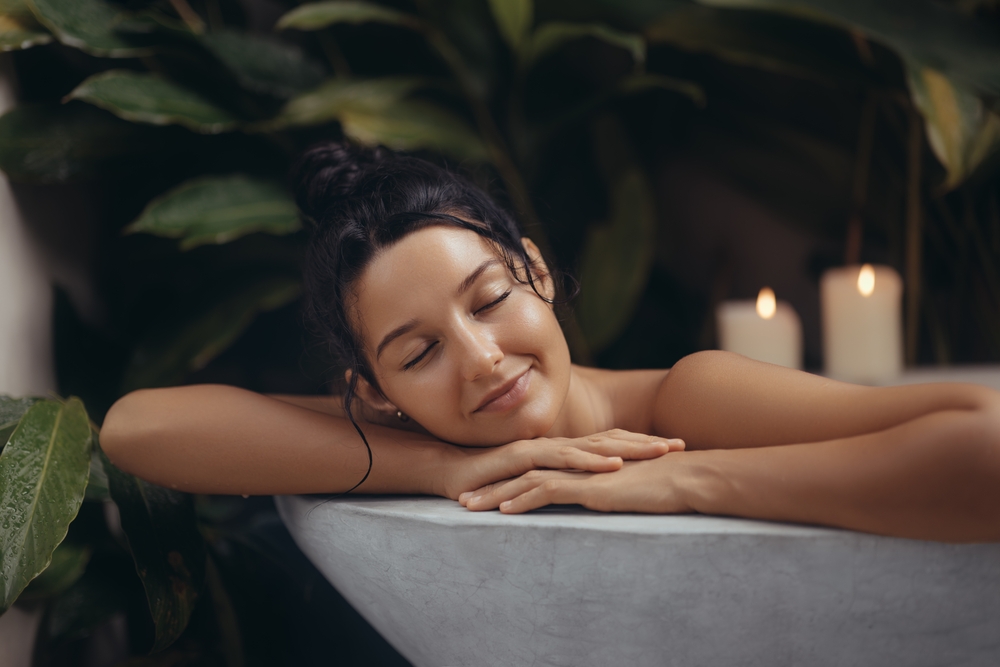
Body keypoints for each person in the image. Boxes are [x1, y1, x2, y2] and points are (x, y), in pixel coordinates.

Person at [100, 142, 1000, 543]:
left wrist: (684, 477)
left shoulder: (689, 398)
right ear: (374, 393)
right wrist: (442, 469)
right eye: (418, 354)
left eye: (489, 299)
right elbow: (135, 429)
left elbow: (986, 437)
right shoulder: (426, 432)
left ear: (534, 269)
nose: (482, 358)